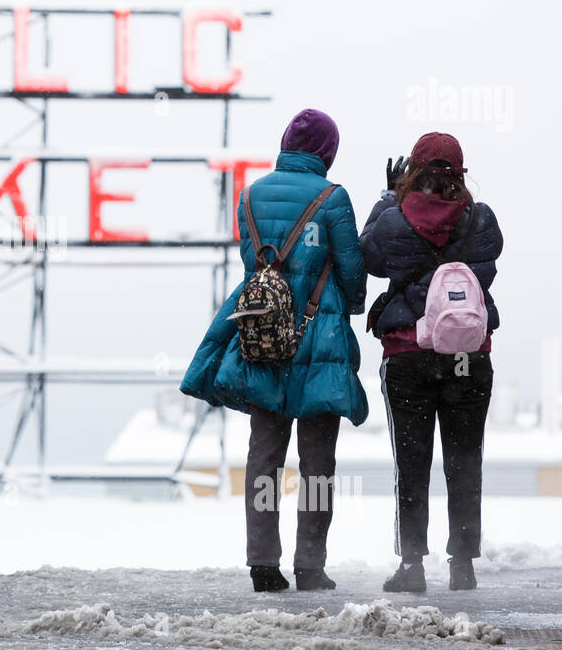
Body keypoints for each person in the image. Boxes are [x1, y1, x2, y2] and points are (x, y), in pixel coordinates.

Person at [181, 109, 367, 592]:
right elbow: (350, 271)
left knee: (264, 453)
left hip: (261, 338)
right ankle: (310, 564)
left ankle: (263, 562)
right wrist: (342, 306)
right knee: (317, 461)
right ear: (327, 152)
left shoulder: (249, 195)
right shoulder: (334, 198)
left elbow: (254, 265)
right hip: (319, 339)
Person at [360, 132, 502, 592]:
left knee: (411, 461)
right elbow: (488, 266)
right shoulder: (481, 220)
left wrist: (387, 197)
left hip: (408, 356)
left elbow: (369, 257)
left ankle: (412, 567)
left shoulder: (394, 219)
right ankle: (463, 565)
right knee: (465, 461)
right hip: (467, 357)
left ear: (412, 172)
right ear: (461, 172)